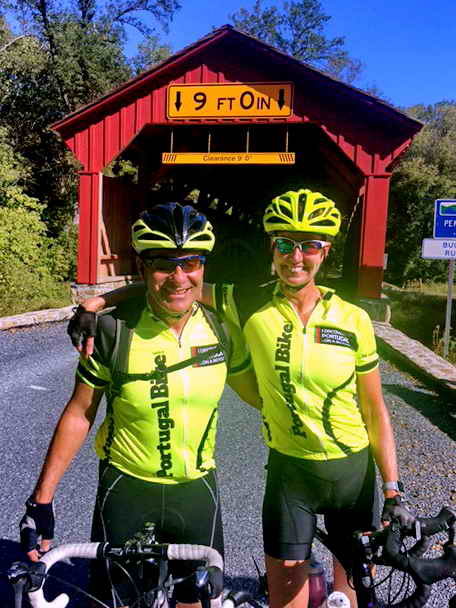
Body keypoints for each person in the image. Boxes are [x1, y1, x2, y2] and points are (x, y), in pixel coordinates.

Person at [70, 189, 413, 608]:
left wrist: (393, 488)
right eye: (285, 245)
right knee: (286, 598)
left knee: (356, 592)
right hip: (291, 475)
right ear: (273, 248)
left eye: (309, 246)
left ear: (325, 252)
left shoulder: (352, 318)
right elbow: (177, 283)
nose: (296, 257)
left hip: (354, 474)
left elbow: (375, 410)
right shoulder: (248, 302)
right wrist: (97, 301)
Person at [20, 202, 260, 608]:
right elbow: (80, 414)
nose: (179, 277)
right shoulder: (115, 332)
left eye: (191, 263)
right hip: (127, 488)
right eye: (163, 263)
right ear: (143, 266)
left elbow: (260, 396)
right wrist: (41, 501)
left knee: (195, 600)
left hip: (197, 490)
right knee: (118, 601)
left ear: (204, 265)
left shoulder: (223, 327)